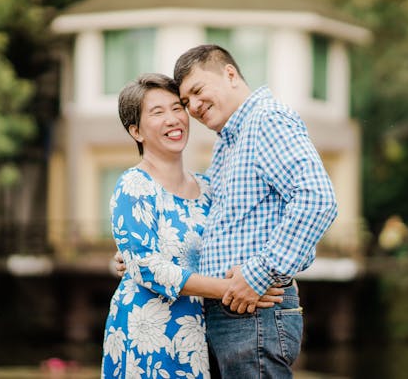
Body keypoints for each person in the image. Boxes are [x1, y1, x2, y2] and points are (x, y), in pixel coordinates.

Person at [101, 73, 283, 379]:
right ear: (136, 131)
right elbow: (146, 266)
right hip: (148, 334)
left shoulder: (210, 187)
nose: (173, 119)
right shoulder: (134, 185)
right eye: (157, 112)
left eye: (177, 108)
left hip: (203, 334)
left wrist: (259, 274)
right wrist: (232, 289)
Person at [173, 45, 339, 377]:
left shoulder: (266, 119)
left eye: (197, 90)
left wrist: (258, 274)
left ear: (230, 74)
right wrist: (144, 252)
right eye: (185, 101)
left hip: (253, 314)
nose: (192, 106)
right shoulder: (227, 141)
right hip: (229, 312)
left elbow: (317, 198)